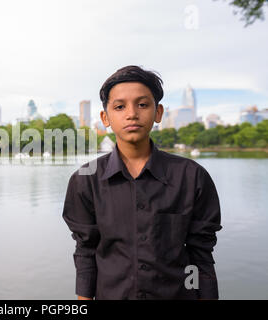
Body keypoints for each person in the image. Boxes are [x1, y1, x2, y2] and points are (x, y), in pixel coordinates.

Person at [62, 65, 223, 300]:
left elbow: (201, 255)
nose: (132, 114)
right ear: (105, 117)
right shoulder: (85, 180)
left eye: (142, 104)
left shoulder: (192, 177)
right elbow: (86, 251)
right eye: (119, 106)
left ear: (158, 113)